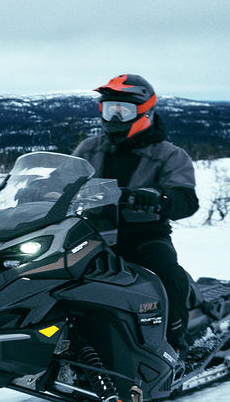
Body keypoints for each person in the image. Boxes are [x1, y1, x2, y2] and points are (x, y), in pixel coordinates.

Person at [72, 73, 199, 353]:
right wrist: (41, 188)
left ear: (145, 113)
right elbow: (67, 178)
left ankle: (174, 342)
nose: (115, 119)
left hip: (144, 235)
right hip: (91, 233)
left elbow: (186, 199)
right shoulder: (89, 148)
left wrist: (157, 199)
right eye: (109, 110)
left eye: (123, 111)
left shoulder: (169, 155)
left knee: (167, 275)